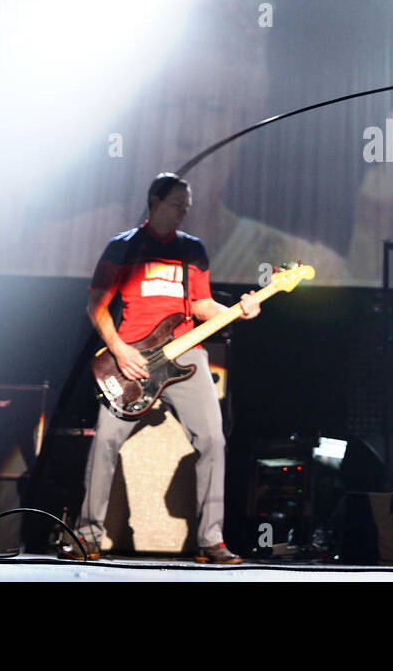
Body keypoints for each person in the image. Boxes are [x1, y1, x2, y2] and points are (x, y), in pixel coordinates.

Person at [65, 173, 260, 564]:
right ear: (154, 202)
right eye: (175, 205)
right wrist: (119, 350)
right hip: (132, 358)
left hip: (187, 355)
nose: (182, 213)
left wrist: (238, 311)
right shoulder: (124, 246)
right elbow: (96, 304)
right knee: (105, 441)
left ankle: (211, 541)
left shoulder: (193, 249)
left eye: (186, 208)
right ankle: (87, 537)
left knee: (213, 441)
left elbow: (202, 305)